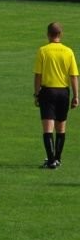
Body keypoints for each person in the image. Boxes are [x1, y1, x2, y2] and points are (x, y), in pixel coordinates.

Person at [33, 22, 79, 169]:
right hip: (63, 92)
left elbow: (38, 75)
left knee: (48, 128)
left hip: (48, 92)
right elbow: (73, 76)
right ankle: (57, 158)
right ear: (61, 34)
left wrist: (36, 93)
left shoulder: (43, 51)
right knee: (61, 127)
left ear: (48, 34)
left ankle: (51, 160)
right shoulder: (68, 52)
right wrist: (76, 96)